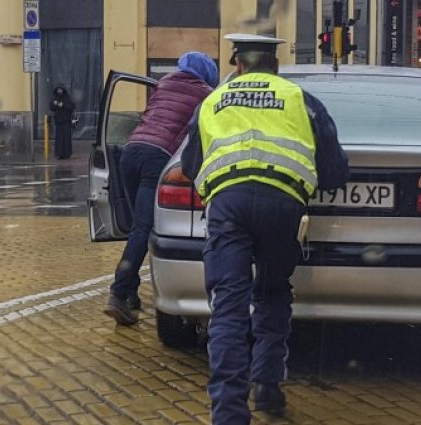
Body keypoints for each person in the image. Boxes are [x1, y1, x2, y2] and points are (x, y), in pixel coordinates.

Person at [181, 34, 349, 424]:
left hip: (228, 206)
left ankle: (228, 413)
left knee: (229, 308)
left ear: (237, 64)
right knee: (272, 291)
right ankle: (268, 389)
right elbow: (335, 171)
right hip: (282, 205)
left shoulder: (212, 100)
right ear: (275, 66)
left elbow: (191, 164)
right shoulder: (300, 99)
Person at [103, 51, 218, 326]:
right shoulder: (206, 95)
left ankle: (129, 294)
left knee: (136, 228)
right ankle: (118, 293)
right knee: (143, 228)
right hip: (158, 156)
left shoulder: (163, 83)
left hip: (131, 152)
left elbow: (148, 116)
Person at [49, 86, 75, 159]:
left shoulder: (67, 98)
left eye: (60, 89)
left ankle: (67, 154)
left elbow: (72, 106)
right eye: (58, 90)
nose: (59, 91)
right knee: (59, 139)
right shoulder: (54, 98)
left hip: (66, 121)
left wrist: (63, 105)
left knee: (66, 138)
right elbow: (51, 108)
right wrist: (54, 104)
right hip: (58, 122)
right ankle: (59, 154)